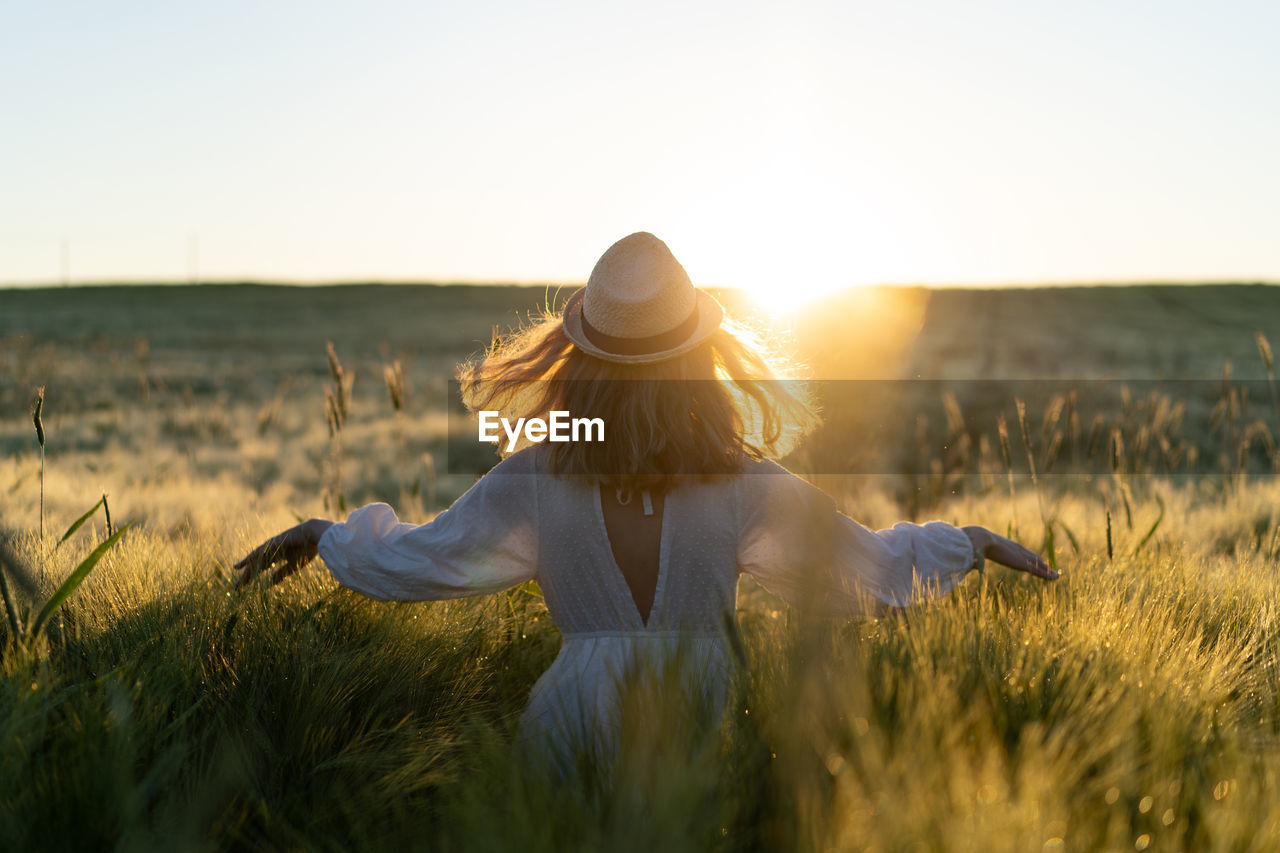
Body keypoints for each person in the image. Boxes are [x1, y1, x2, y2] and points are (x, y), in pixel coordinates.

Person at [234, 232, 1057, 771]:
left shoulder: (533, 476)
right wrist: (972, 541)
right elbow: (871, 571)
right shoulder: (742, 480)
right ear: (698, 360)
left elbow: (420, 560)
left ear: (578, 360)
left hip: (564, 732)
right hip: (701, 725)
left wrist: (325, 536)